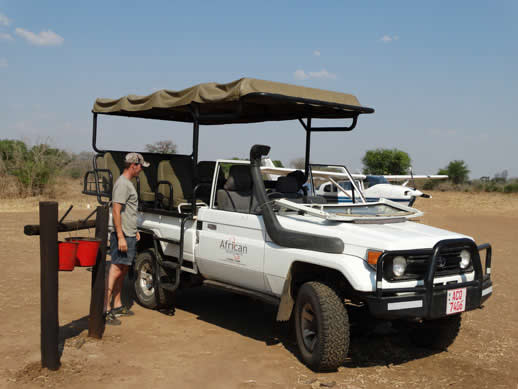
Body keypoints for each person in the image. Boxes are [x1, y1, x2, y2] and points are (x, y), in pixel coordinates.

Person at [104, 152, 150, 325]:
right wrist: (121, 236)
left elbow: (128, 211)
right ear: (133, 165)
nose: (141, 170)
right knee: (115, 269)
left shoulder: (127, 184)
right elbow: (116, 210)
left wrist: (134, 229)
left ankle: (117, 305)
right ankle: (105, 309)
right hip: (122, 235)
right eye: (140, 167)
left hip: (129, 232)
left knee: (123, 269)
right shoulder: (122, 184)